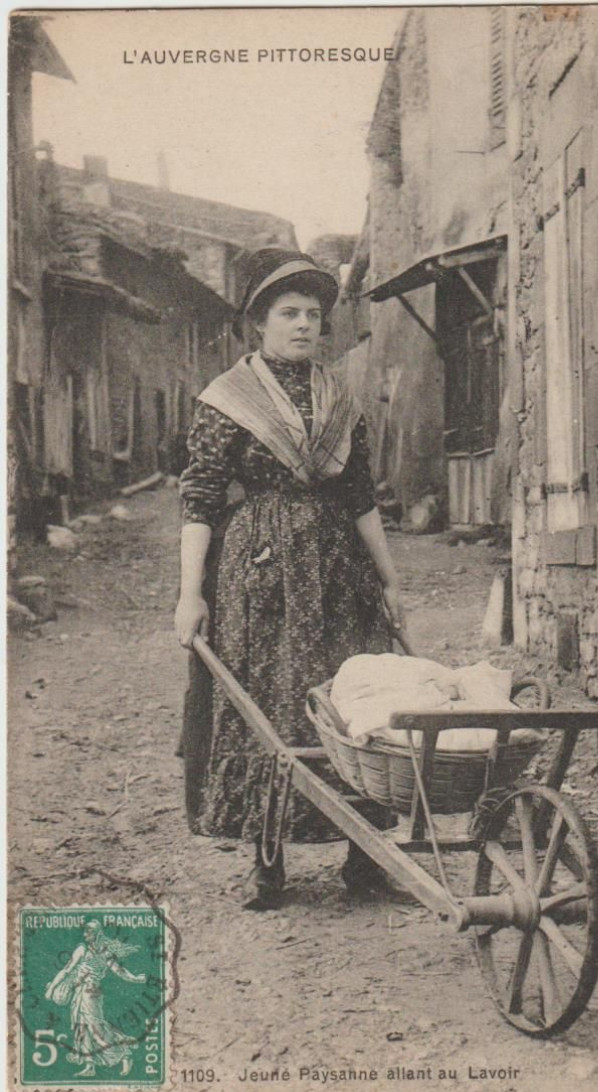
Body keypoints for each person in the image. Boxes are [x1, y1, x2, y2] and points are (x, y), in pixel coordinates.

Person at [175, 247, 406, 911]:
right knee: (267, 701)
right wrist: (190, 595)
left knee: (354, 700)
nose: (303, 324)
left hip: (338, 568)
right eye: (288, 313)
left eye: (312, 313)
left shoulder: (339, 398)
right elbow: (199, 500)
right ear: (260, 323)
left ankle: (364, 862)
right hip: (260, 572)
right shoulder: (227, 400)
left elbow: (361, 496)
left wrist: (388, 581)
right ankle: (267, 864)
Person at [44, 921, 146, 1077]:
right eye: (85, 932)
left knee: (94, 1027)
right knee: (81, 1027)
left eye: (89, 932)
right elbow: (67, 970)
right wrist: (52, 988)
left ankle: (124, 1054)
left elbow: (119, 970)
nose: (85, 935)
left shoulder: (102, 952)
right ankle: (89, 1066)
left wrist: (135, 978)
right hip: (80, 992)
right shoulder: (83, 949)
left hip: (91, 994)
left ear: (97, 933)